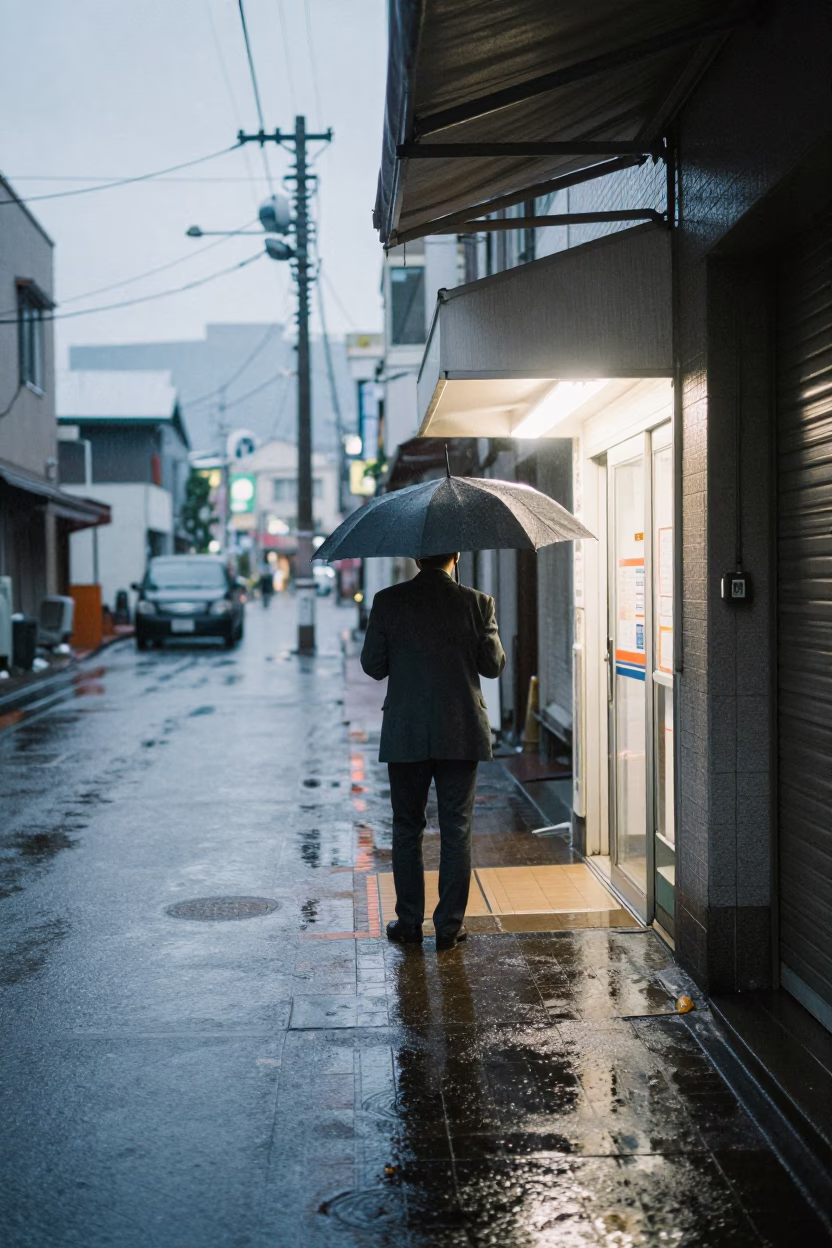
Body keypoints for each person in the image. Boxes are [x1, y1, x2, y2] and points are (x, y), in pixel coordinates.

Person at [360, 552, 506, 951]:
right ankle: (449, 927)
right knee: (456, 827)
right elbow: (493, 666)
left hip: (406, 731)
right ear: (455, 557)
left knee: (407, 828)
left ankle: (409, 922)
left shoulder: (388, 601)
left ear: (416, 557)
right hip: (461, 730)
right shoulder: (478, 602)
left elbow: (373, 666)